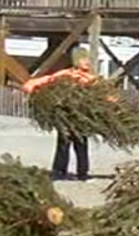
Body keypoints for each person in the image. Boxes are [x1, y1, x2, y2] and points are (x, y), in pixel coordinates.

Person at [22, 51, 98, 181]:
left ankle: (83, 173)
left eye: (87, 59)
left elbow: (104, 96)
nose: (87, 62)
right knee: (63, 144)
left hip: (82, 118)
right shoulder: (65, 75)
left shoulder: (91, 79)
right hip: (66, 117)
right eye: (83, 59)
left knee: (81, 144)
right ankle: (59, 172)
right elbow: (45, 81)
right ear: (76, 61)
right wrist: (30, 86)